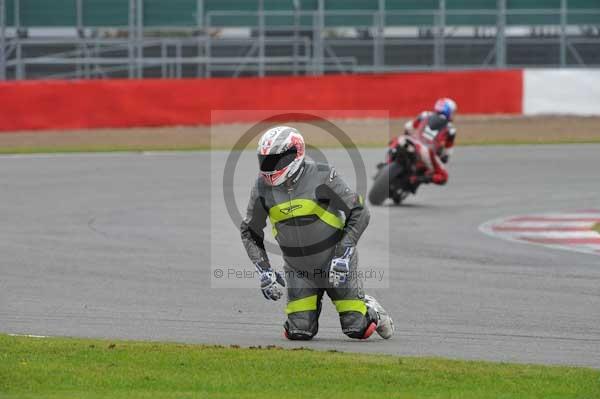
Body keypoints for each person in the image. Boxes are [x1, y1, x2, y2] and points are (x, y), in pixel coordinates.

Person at [240, 125, 394, 341]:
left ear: (296, 154)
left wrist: (343, 254)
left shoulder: (322, 176)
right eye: (265, 160)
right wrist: (264, 271)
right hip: (298, 270)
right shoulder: (261, 187)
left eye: (276, 160)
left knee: (357, 328)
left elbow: (360, 212)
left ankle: (370, 307)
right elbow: (249, 231)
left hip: (335, 264)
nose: (270, 167)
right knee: (298, 332)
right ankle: (306, 316)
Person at [398, 97, 457, 186]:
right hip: (427, 151)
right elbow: (447, 151)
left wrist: (407, 135)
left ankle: (387, 163)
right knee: (444, 176)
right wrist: (444, 157)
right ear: (448, 111)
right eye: (452, 112)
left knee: (398, 142)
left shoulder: (425, 114)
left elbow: (408, 126)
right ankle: (418, 179)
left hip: (411, 142)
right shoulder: (451, 128)